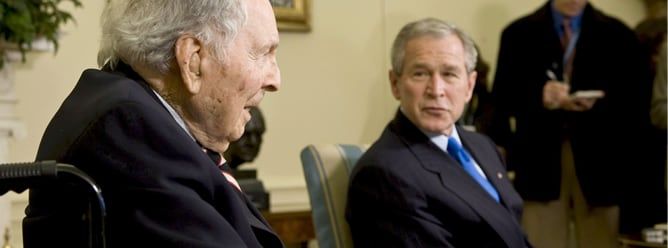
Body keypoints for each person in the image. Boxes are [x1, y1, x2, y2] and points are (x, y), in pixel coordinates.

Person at [23, 0, 283, 247]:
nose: (275, 80)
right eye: (263, 53)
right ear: (193, 60)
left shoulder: (142, 117)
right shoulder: (130, 130)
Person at [345, 17, 533, 247]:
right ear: (395, 84)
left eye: (449, 74)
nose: (436, 90)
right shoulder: (383, 174)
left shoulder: (483, 147)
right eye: (420, 74)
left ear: (470, 86)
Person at [488, 0, 649, 247]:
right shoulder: (518, 33)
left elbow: (636, 103)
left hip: (602, 159)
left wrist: (599, 105)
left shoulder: (618, 34)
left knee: (602, 239)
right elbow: (501, 100)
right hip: (540, 159)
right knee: (541, 238)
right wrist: (539, 96)